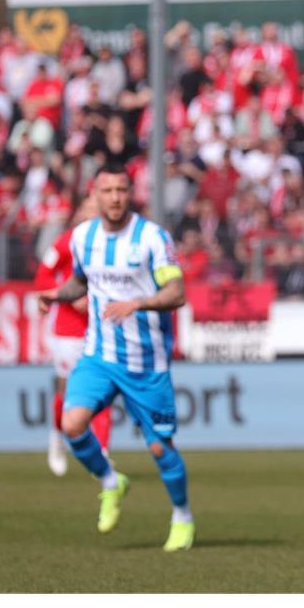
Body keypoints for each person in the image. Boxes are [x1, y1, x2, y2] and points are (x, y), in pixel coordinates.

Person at [37, 164, 193, 551]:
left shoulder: (153, 238)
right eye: (107, 191)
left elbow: (177, 293)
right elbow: (81, 280)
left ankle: (182, 515)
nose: (115, 197)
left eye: (121, 189)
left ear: (130, 193)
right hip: (98, 354)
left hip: (147, 362)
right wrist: (57, 294)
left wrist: (137, 303)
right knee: (72, 423)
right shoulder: (82, 237)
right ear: (95, 194)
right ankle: (111, 482)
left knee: (160, 448)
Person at [34, 196, 113, 476]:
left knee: (104, 392)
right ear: (80, 212)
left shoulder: (111, 243)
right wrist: (68, 299)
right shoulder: (67, 241)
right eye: (89, 209)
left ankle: (101, 454)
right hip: (69, 330)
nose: (94, 214)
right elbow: (44, 275)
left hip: (102, 329)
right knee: (67, 392)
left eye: (97, 209)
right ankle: (57, 438)